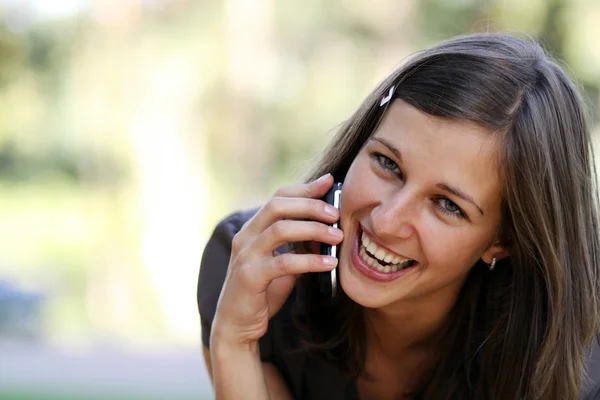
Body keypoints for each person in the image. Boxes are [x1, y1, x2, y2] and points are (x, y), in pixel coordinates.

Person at [197, 33, 600, 399]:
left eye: (447, 205)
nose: (387, 221)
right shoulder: (249, 272)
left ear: (505, 239)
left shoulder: (570, 358)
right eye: (387, 164)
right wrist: (234, 341)